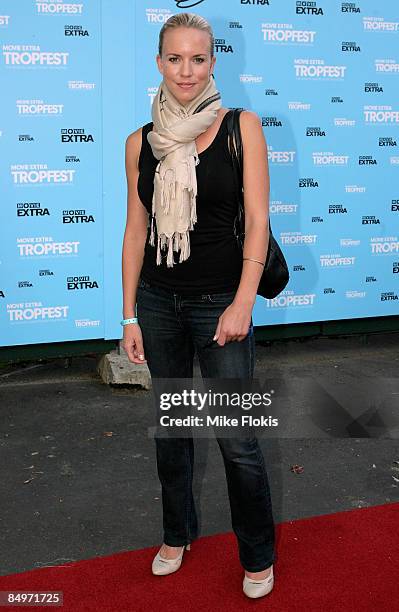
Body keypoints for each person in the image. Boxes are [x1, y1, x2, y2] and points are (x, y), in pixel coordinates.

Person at [121, 12, 275, 599]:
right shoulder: (140, 142)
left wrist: (242, 304)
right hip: (159, 304)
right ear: (159, 62)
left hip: (220, 304)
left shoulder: (241, 127)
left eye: (199, 58)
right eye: (176, 58)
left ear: (213, 62)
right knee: (173, 431)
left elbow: (258, 220)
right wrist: (130, 314)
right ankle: (176, 533)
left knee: (237, 438)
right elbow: (136, 232)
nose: (187, 70)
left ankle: (257, 556)